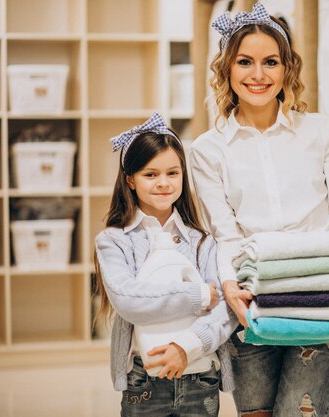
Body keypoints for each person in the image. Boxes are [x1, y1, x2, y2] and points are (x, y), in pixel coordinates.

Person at [190, 4, 329, 417]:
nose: (258, 75)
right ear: (227, 70)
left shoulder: (323, 133)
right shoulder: (206, 150)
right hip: (251, 303)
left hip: (320, 305)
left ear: (287, 69)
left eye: (271, 62)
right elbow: (225, 234)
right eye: (245, 62)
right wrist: (231, 288)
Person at [94, 113, 237, 417]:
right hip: (145, 380)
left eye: (173, 173)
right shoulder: (114, 241)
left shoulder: (203, 241)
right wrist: (197, 297)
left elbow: (226, 306)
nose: (163, 183)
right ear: (130, 180)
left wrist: (187, 346)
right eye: (150, 174)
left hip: (201, 376)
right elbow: (129, 299)